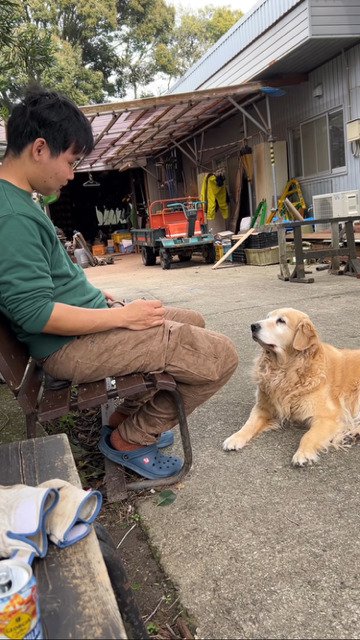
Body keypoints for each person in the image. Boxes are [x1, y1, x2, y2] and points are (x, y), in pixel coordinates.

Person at [0, 86, 239, 480]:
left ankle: (125, 419)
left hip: (81, 331)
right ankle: (130, 439)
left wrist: (99, 297)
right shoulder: (13, 216)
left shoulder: (22, 200)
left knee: (191, 320)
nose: (72, 174)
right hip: (68, 349)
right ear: (39, 149)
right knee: (220, 357)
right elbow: (35, 313)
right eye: (72, 161)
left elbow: (50, 279)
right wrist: (122, 318)